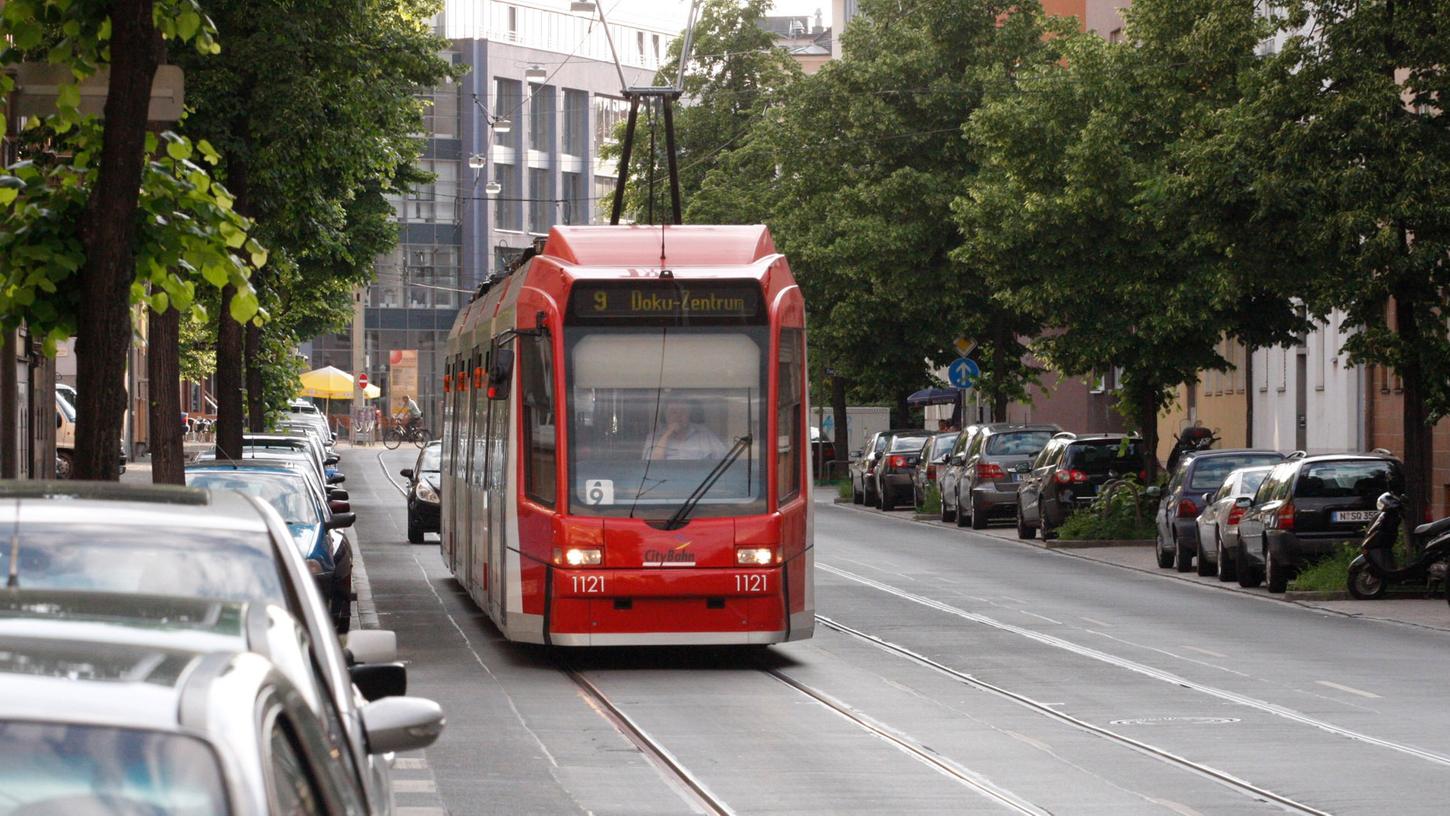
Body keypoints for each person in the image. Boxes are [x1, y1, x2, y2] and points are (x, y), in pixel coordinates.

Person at [643, 397, 727, 460]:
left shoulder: (705, 434)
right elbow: (651, 467)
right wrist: (667, 434)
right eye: (673, 412)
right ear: (665, 416)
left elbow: (725, 460)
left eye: (683, 411)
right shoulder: (654, 437)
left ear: (689, 414)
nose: (678, 416)